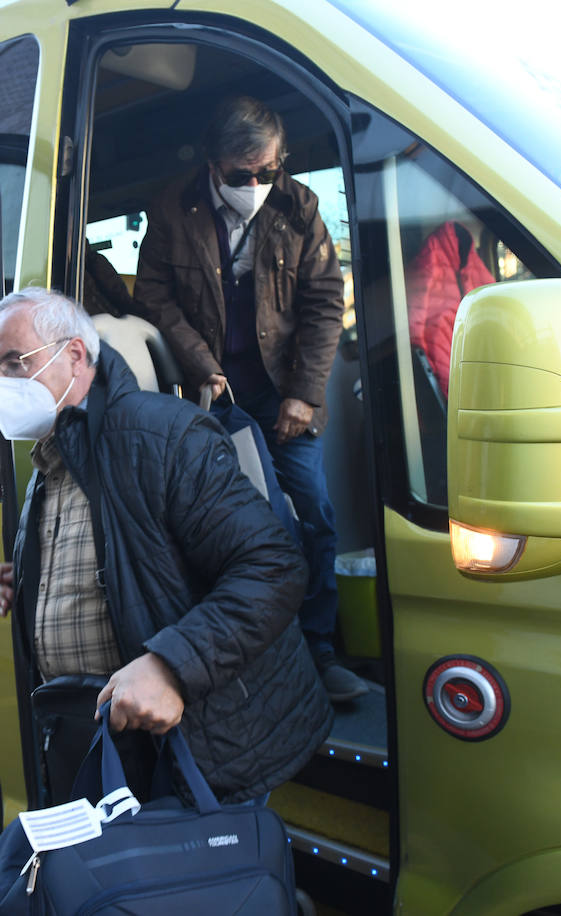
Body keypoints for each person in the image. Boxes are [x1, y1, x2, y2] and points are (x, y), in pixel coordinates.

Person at [0, 287, 332, 804]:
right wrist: (39, 579)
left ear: (74, 355)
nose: (2, 384)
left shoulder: (164, 435)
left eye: (16, 362)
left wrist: (171, 665)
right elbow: (128, 557)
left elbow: (273, 567)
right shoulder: (53, 459)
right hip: (112, 749)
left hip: (196, 750)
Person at [132, 95, 368, 702]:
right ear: (213, 163)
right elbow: (155, 299)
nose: (257, 185)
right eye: (242, 176)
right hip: (216, 398)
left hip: (283, 393)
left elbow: (322, 306)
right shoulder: (172, 208)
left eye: (269, 171)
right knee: (246, 526)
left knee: (313, 513)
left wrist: (304, 396)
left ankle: (318, 648)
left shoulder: (300, 208)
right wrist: (203, 366)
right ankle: (262, 655)